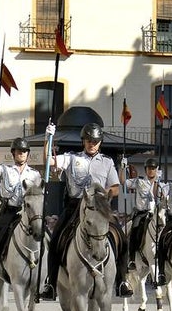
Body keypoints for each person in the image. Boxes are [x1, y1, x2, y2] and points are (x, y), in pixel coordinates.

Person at [38, 122, 134, 299]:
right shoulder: (72, 158)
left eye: (96, 141)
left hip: (99, 207)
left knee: (121, 237)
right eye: (89, 140)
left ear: (100, 142)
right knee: (55, 239)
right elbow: (48, 161)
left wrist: (105, 193)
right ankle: (50, 282)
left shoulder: (107, 162)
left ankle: (122, 281)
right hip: (75, 206)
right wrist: (47, 140)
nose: (92, 143)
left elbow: (116, 187)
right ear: (83, 141)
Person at [0, 137, 43, 291]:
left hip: (29, 212)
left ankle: (44, 277)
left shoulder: (35, 174)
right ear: (13, 153)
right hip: (10, 211)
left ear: (27, 154)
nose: (21, 154)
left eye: (24, 151)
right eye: (18, 151)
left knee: (46, 237)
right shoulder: (5, 170)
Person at [124, 158, 160, 270]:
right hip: (142, 213)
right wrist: (123, 168)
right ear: (145, 170)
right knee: (135, 229)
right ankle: (132, 259)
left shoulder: (162, 184)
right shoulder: (139, 182)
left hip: (156, 214)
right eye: (149, 168)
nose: (151, 171)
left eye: (153, 168)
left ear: (156, 170)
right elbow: (123, 182)